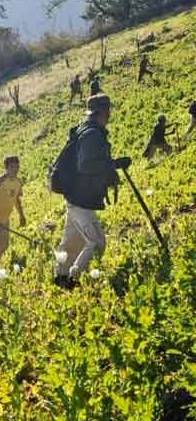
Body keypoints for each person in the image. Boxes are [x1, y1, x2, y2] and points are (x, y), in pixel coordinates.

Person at [55, 94, 131, 286]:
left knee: (71, 242)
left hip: (75, 196)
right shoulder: (92, 134)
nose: (110, 113)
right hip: (81, 199)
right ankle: (73, 278)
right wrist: (112, 164)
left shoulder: (85, 129)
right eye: (108, 109)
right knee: (96, 243)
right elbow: (86, 165)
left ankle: (60, 277)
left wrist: (111, 165)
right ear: (103, 111)